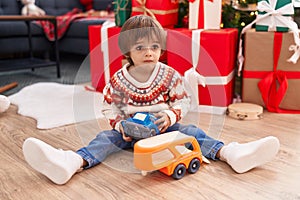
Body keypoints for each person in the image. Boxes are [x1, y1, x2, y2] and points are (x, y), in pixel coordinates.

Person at [22, 15, 280, 185]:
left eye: (154, 47)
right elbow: (109, 106)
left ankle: (230, 152)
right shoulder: (118, 79)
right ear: (127, 51)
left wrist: (169, 116)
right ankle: (72, 161)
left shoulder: (169, 75)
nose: (149, 53)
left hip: (164, 130)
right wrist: (121, 125)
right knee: (103, 140)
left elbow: (183, 101)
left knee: (191, 132)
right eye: (140, 48)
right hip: (129, 134)